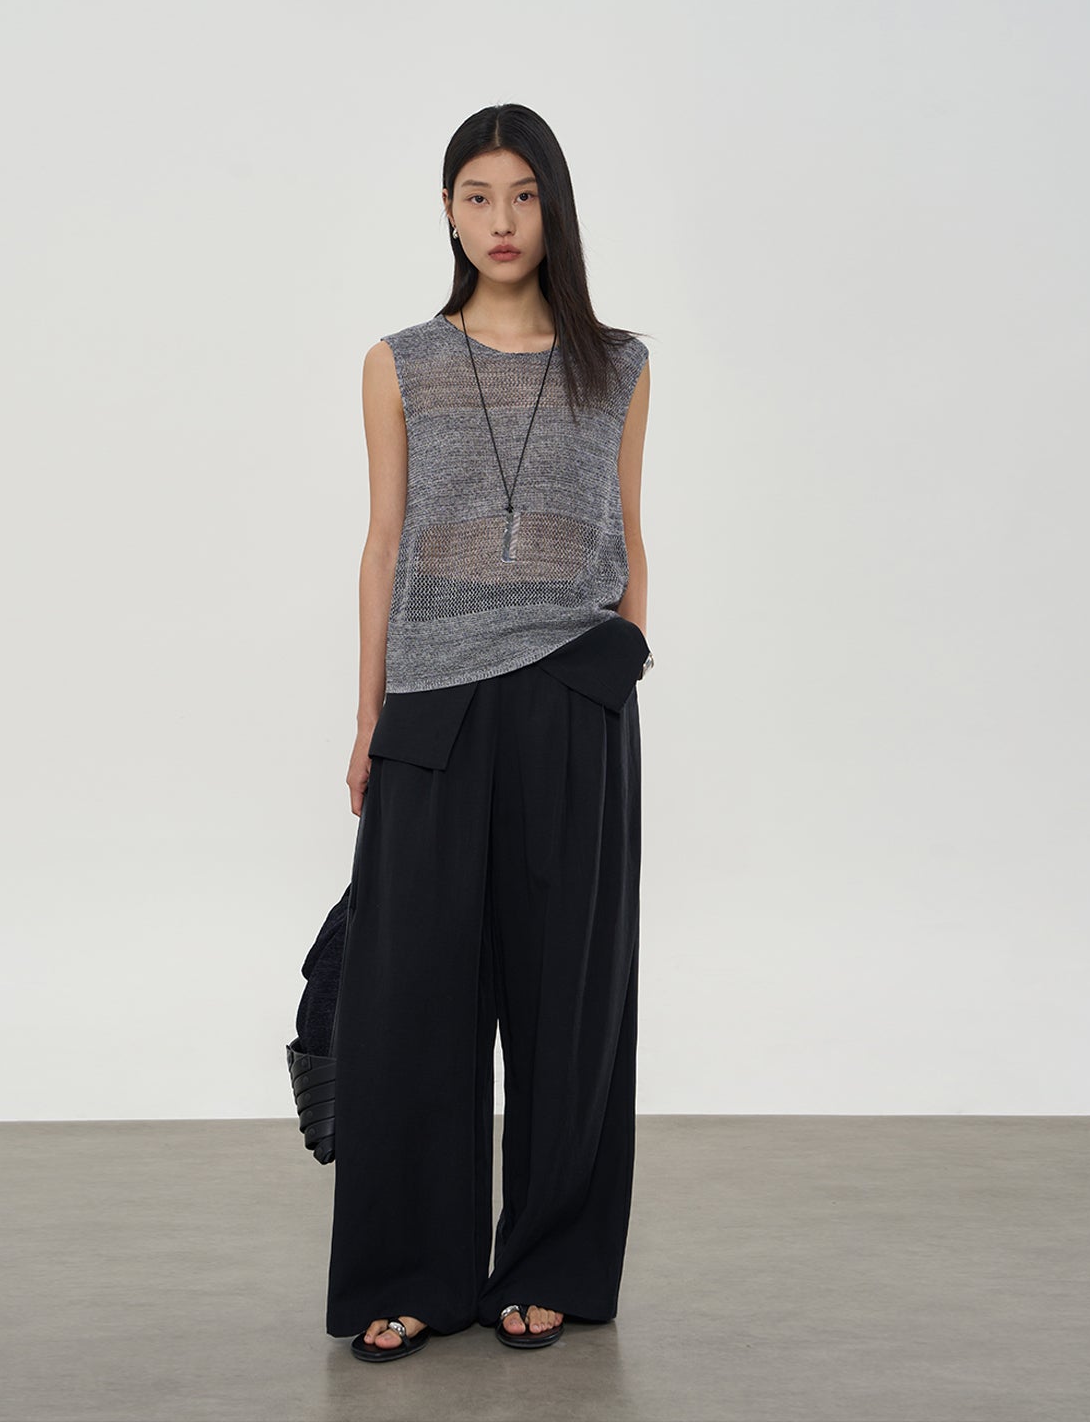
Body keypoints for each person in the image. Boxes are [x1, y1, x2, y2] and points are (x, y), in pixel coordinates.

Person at [325, 102, 654, 1362]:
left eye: (524, 195)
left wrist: (621, 659)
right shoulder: (400, 361)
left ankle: (550, 1263)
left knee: (568, 1000)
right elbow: (383, 544)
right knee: (411, 1003)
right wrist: (370, 716)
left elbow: (629, 530)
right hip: (434, 704)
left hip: (572, 694)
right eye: (478, 195)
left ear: (553, 208)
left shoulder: (617, 364)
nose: (502, 221)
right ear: (448, 210)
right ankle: (414, 1273)